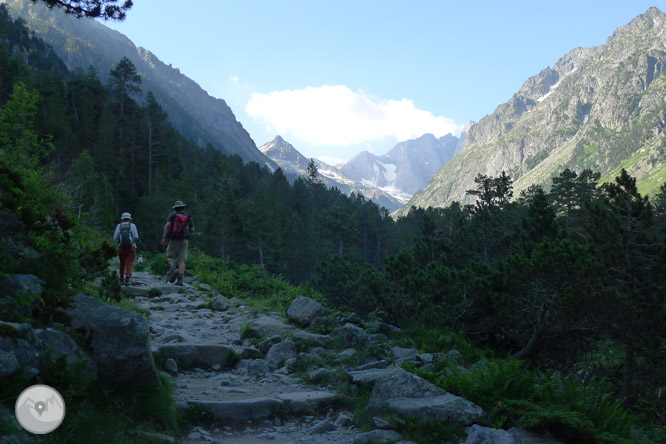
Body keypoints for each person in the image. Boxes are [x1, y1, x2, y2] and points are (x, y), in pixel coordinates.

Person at [161, 200, 195, 286]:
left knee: (169, 256)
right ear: (183, 207)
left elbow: (168, 225)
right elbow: (192, 229)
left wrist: (164, 237)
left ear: (175, 208)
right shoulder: (188, 216)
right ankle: (180, 279)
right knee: (181, 260)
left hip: (174, 239)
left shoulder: (172, 215)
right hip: (184, 239)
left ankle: (173, 268)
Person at [113, 212, 139, 286]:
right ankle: (127, 278)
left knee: (122, 263)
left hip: (121, 247)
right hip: (131, 247)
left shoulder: (119, 226)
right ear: (129, 219)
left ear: (122, 219)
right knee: (129, 262)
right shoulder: (132, 225)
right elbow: (136, 236)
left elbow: (115, 237)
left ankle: (121, 278)